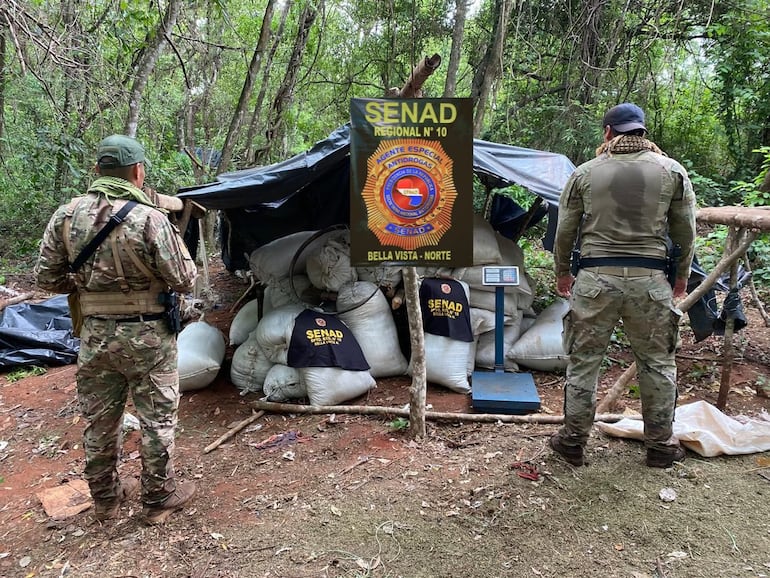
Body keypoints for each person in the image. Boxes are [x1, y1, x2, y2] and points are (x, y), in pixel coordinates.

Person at [35, 135, 198, 523]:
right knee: (156, 419)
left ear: (97, 172)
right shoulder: (150, 218)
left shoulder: (66, 216)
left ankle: (106, 500)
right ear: (138, 172)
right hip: (148, 336)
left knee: (100, 419)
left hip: (94, 336)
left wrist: (90, 288)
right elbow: (184, 278)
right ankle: (158, 499)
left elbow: (46, 278)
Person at [550, 103, 697, 468]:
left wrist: (562, 272)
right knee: (658, 364)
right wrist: (681, 275)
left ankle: (572, 443)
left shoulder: (585, 173)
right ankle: (661, 446)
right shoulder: (672, 171)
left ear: (608, 133)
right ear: (642, 132)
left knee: (584, 363)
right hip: (650, 282)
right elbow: (685, 231)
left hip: (595, 282)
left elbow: (565, 230)